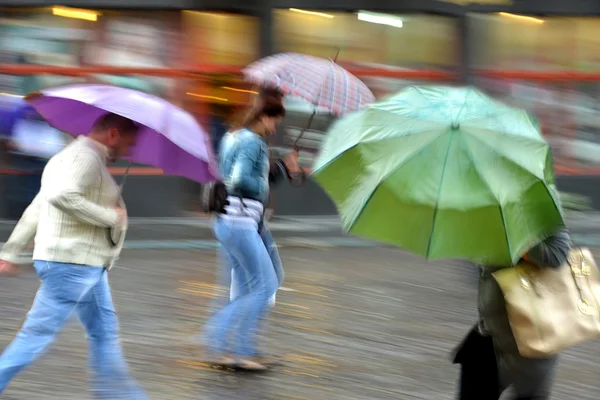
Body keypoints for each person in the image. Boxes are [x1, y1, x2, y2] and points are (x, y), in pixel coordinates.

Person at [0, 113, 148, 399]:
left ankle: (118, 395)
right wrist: (110, 216)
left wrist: (11, 252)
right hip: (72, 264)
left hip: (83, 263)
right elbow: (61, 196)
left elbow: (37, 207)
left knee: (103, 333)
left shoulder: (66, 156)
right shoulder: (86, 158)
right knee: (36, 335)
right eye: (128, 144)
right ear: (113, 134)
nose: (128, 152)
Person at [204, 97, 299, 371]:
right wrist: (273, 169)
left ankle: (240, 349)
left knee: (257, 285)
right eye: (274, 122)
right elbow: (239, 179)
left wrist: (278, 167)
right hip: (240, 221)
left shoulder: (233, 136)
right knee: (264, 286)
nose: (274, 128)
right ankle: (222, 342)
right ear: (265, 117)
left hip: (238, 221)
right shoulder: (252, 141)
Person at [453, 228, 571, 400]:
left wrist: (516, 240)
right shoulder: (489, 219)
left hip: (532, 340)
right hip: (490, 334)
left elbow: (557, 256)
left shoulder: (545, 218)